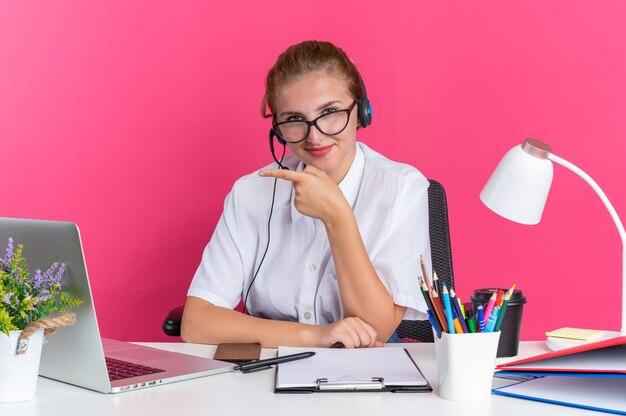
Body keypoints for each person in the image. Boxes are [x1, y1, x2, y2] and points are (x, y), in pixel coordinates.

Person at [182, 40, 431, 348]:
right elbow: (196, 323)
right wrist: (317, 336)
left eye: (330, 112)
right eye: (294, 119)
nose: (314, 136)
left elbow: (376, 331)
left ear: (361, 111)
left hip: (362, 370)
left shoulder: (403, 189)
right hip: (268, 361)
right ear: (278, 127)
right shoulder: (251, 192)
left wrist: (338, 217)